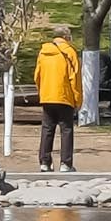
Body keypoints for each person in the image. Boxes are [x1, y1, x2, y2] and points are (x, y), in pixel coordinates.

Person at [33, 29, 82, 170]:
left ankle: (44, 162)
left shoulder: (43, 52)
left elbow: (37, 76)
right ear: (66, 37)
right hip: (64, 96)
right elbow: (75, 78)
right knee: (66, 129)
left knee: (47, 129)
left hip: (47, 96)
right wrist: (78, 100)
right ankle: (66, 163)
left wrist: (42, 92)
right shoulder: (70, 52)